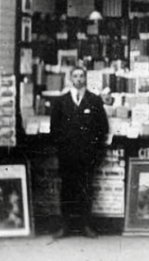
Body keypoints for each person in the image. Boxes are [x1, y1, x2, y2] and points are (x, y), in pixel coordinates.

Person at [50, 65, 109, 239]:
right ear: (70, 79)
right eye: (75, 76)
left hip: (87, 156)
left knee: (86, 189)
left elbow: (102, 128)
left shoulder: (94, 100)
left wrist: (95, 151)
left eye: (81, 76)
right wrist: (61, 148)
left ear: (86, 78)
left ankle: (86, 226)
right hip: (67, 156)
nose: (78, 79)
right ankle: (65, 226)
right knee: (67, 190)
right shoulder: (60, 102)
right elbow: (54, 129)